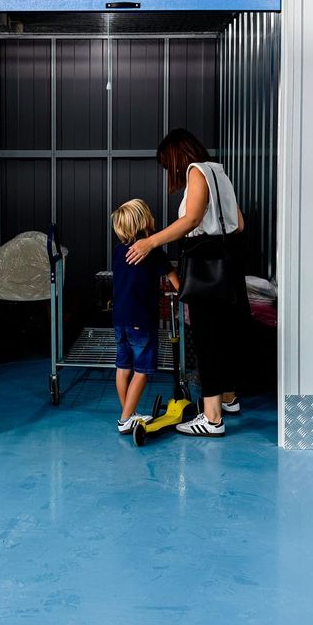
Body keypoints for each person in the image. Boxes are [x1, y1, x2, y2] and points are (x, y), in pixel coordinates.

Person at [126, 129, 246, 438]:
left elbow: (191, 220)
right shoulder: (220, 173)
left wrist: (150, 242)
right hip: (228, 264)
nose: (171, 171)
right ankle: (228, 398)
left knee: (206, 339)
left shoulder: (196, 171)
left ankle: (212, 418)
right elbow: (239, 224)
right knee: (224, 334)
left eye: (168, 163)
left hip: (205, 266)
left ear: (178, 156)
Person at [111, 199, 180, 434]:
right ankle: (125, 418)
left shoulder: (118, 251)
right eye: (149, 215)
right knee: (141, 370)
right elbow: (176, 282)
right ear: (143, 222)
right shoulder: (153, 251)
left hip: (120, 319)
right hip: (142, 319)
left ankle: (128, 414)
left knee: (123, 367)